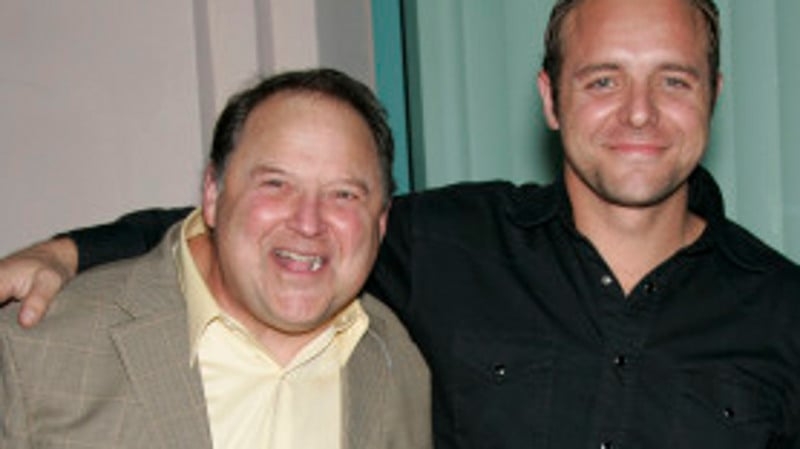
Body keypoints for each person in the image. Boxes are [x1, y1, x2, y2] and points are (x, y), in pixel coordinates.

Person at [2, 0, 800, 447]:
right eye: (601, 79)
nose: (637, 113)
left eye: (672, 79)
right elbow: (274, 225)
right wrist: (70, 251)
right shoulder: (448, 245)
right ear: (551, 99)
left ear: (714, 94)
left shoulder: (782, 309)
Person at [0, 68, 431, 449]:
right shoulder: (35, 348)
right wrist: (64, 251)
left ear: (380, 222)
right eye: (276, 184)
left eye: (344, 194)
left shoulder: (396, 360)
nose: (308, 222)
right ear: (212, 193)